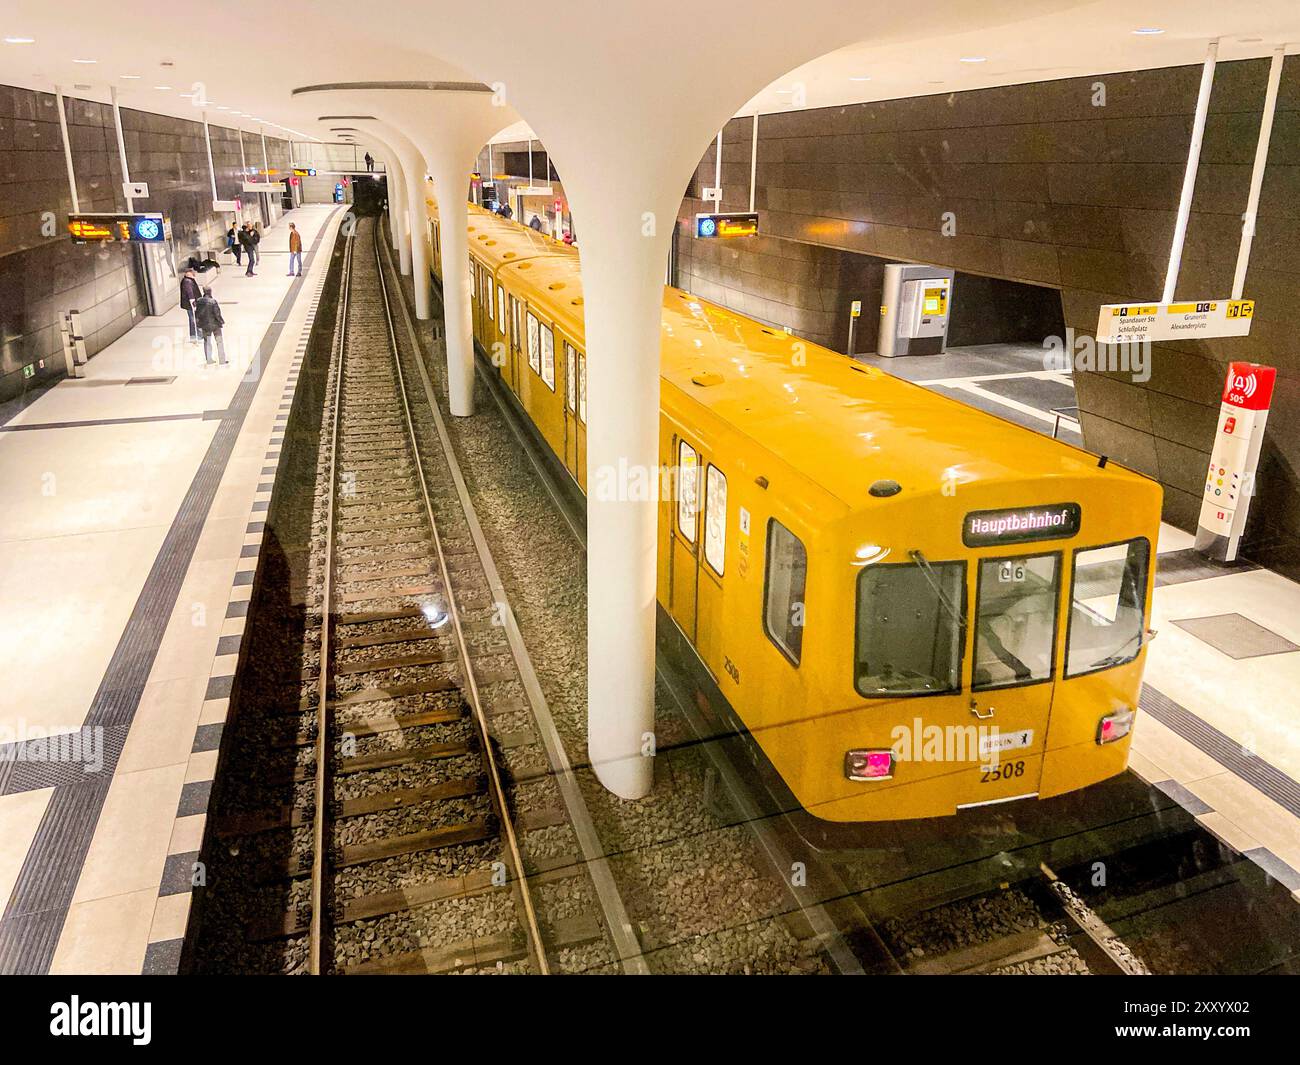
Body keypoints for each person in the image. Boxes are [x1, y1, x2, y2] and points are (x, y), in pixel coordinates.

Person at [194, 287, 227, 366]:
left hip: (205, 325)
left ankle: (209, 359)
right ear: (210, 292)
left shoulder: (199, 301)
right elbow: (217, 314)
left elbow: (197, 313)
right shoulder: (213, 302)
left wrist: (199, 324)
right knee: (219, 342)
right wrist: (221, 321)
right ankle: (222, 360)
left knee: (207, 341)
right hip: (215, 325)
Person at [179, 268, 201, 342]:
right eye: (193, 272)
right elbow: (190, 293)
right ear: (189, 273)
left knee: (193, 319)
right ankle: (196, 336)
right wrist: (193, 303)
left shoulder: (188, 280)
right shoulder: (187, 281)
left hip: (189, 304)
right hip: (190, 304)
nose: (194, 273)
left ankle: (195, 335)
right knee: (193, 320)